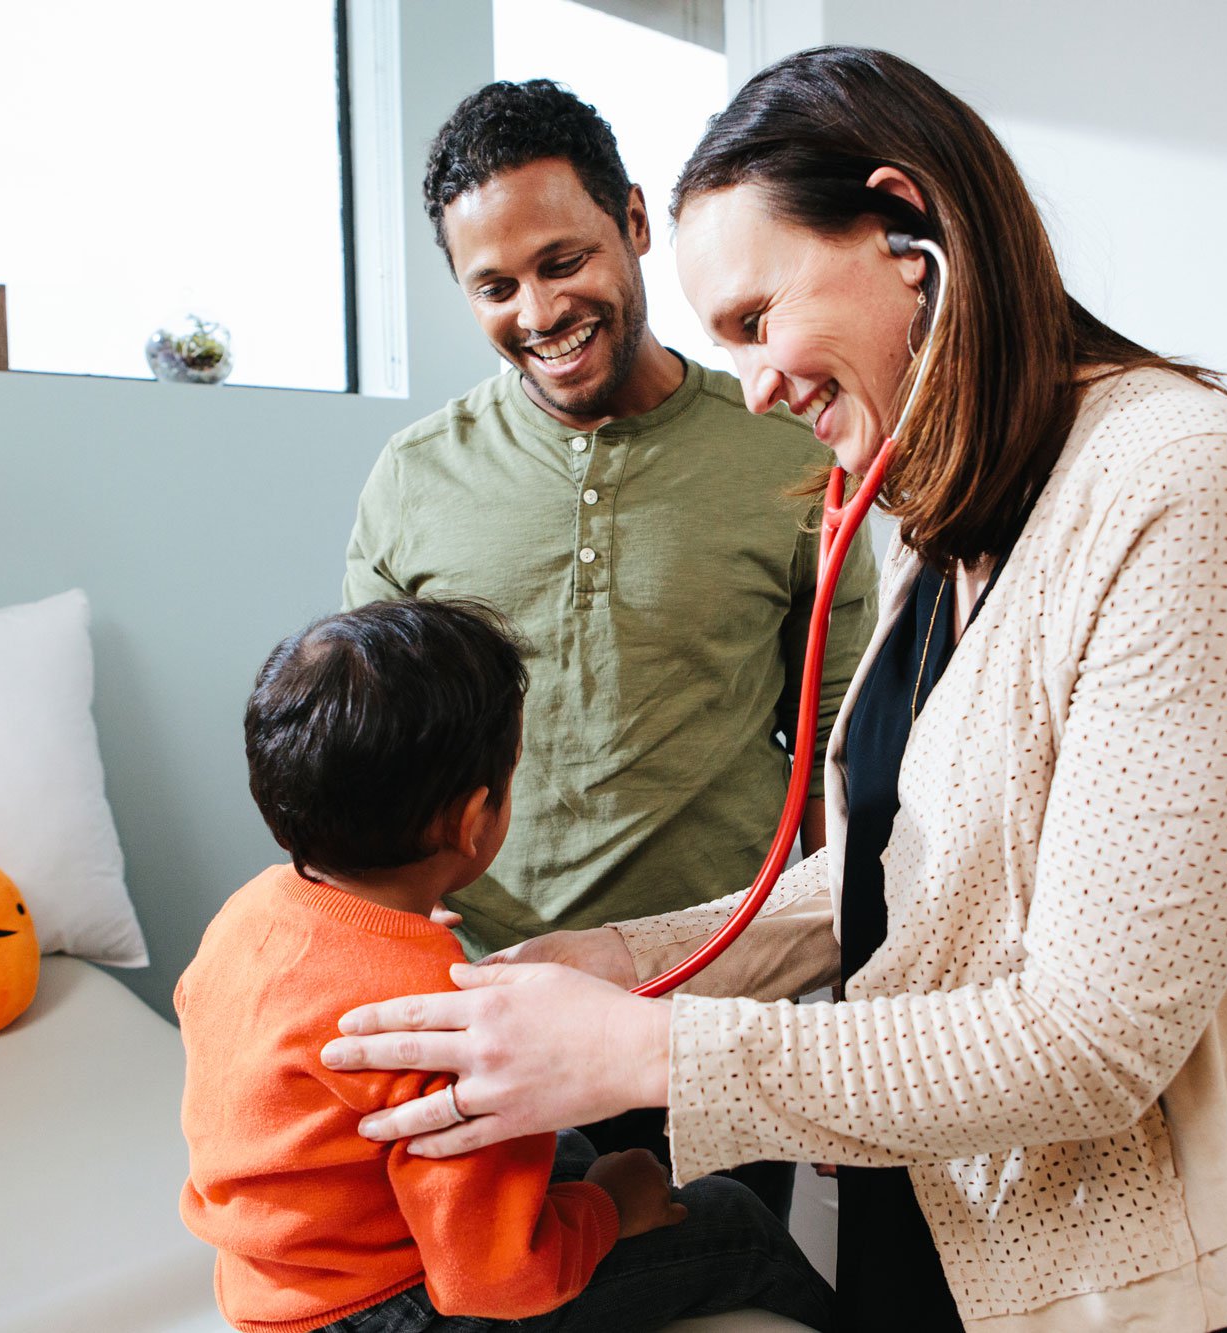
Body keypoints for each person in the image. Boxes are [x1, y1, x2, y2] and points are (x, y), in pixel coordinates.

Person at [319, 46, 1227, 1333]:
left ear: (905, 231)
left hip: (1140, 1272)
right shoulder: (949, 514)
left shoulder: (1191, 489)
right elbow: (889, 879)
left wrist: (646, 1052)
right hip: (938, 1207)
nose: (755, 385)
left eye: (758, 322)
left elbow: (1092, 1040)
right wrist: (623, 963)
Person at [343, 77, 877, 1221]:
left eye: (561, 260)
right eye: (494, 285)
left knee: (718, 1285)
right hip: (481, 1001)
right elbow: (365, 764)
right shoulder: (412, 478)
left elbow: (838, 739)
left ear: (633, 224)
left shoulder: (781, 443)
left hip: (713, 994)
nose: (536, 311)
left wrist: (846, 989)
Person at [177, 598, 837, 1333]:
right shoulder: (438, 1020)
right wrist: (612, 1208)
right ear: (471, 821)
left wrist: (402, 938)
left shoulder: (245, 917)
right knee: (733, 1218)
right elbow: (491, 1276)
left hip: (278, 1283)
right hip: (399, 1309)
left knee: (571, 1146)